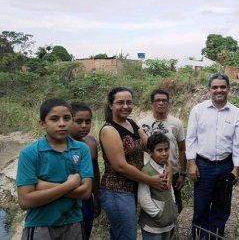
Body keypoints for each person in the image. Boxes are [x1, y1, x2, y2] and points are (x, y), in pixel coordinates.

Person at [16, 98, 93, 240]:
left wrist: (42, 186)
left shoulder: (82, 149)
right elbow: (25, 201)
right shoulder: (30, 153)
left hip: (74, 222)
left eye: (67, 118)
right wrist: (69, 185)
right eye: (54, 119)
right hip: (40, 224)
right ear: (42, 123)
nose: (62, 124)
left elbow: (86, 192)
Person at [99, 86, 169, 240]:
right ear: (111, 105)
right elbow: (120, 166)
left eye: (129, 102)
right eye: (120, 103)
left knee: (120, 234)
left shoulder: (131, 123)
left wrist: (168, 166)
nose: (125, 106)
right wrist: (150, 180)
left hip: (132, 189)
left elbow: (150, 146)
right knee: (127, 235)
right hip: (117, 191)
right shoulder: (109, 130)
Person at [186, 73, 239, 239]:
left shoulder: (236, 113)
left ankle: (215, 237)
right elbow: (191, 139)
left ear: (228, 89)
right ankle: (199, 237)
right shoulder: (198, 110)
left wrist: (236, 168)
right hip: (203, 166)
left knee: (222, 208)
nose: (219, 90)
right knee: (201, 207)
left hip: (226, 166)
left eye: (223, 87)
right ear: (209, 90)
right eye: (215, 87)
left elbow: (238, 143)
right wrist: (192, 164)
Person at [138, 88, 186, 213]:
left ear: (168, 103)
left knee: (174, 205)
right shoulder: (141, 124)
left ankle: (170, 230)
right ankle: (155, 229)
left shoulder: (176, 123)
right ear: (152, 103)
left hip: (172, 172)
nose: (161, 103)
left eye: (164, 100)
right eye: (157, 100)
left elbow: (182, 149)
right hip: (150, 173)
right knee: (152, 205)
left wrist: (182, 173)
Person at [138, 132, 179, 240]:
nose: (164, 153)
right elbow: (143, 199)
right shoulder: (146, 171)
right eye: (159, 150)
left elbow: (171, 191)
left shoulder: (166, 169)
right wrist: (158, 215)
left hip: (167, 224)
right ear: (150, 152)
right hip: (153, 226)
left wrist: (173, 206)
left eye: (166, 149)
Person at [69, 102, 101, 240]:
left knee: (84, 233)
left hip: (87, 199)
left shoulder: (91, 142)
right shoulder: (62, 143)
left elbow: (95, 169)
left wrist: (97, 196)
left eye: (88, 121)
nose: (84, 125)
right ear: (69, 120)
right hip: (69, 199)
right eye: (79, 121)